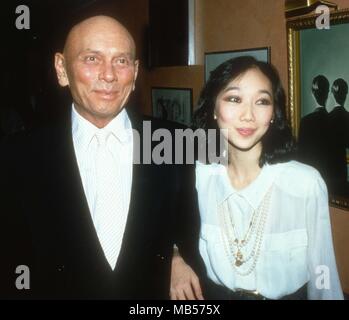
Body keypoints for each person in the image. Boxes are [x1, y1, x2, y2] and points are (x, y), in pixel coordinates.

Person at [0, 14, 201, 299]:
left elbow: (203, 225)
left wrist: (175, 253)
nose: (109, 75)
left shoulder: (177, 143)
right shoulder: (17, 156)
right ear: (61, 69)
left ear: (135, 72)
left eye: (121, 61)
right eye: (92, 59)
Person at [171, 56, 343, 300]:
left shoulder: (305, 184)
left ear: (273, 113)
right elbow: (157, 229)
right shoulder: (198, 177)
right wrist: (174, 258)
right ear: (213, 109)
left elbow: (324, 277)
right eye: (234, 99)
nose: (248, 115)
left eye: (262, 101)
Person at [298, 75, 332, 186]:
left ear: (312, 94)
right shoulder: (334, 121)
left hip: (310, 179)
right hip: (331, 179)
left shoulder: (305, 121)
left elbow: (301, 156)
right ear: (327, 93)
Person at [327, 78, 349, 195]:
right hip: (342, 169)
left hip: (327, 171)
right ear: (346, 94)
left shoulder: (326, 119)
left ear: (332, 94)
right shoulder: (348, 117)